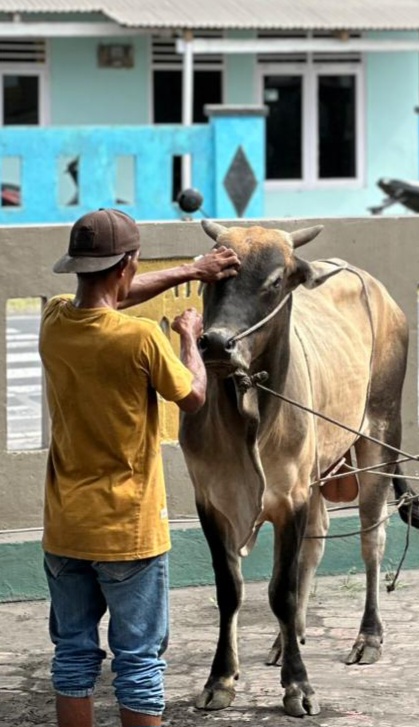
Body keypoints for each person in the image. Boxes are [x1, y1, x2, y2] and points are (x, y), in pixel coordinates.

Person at [40, 209, 239, 727]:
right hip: (129, 531)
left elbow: (109, 298)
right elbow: (194, 396)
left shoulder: (55, 319)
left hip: (64, 529)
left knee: (73, 655)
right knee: (139, 661)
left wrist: (193, 269)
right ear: (128, 263)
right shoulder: (141, 341)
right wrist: (189, 336)